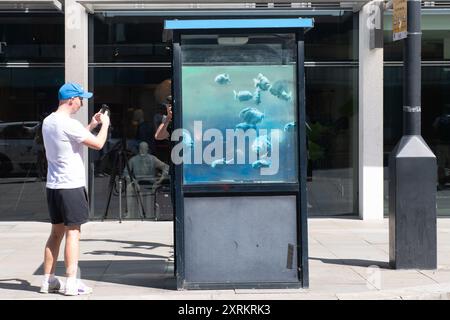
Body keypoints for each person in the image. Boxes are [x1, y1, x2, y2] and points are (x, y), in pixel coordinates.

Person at [40, 82, 110, 296]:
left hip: (54, 186)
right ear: (71, 99)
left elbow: (73, 140)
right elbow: (97, 144)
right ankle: (71, 283)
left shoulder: (49, 121)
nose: (82, 102)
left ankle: (48, 281)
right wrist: (105, 124)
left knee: (55, 233)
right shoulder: (68, 124)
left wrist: (90, 124)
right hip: (71, 186)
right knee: (73, 233)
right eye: (80, 99)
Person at [433, 104, 450, 189]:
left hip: (440, 144)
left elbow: (435, 128)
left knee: (441, 165)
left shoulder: (439, 119)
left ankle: (441, 182)